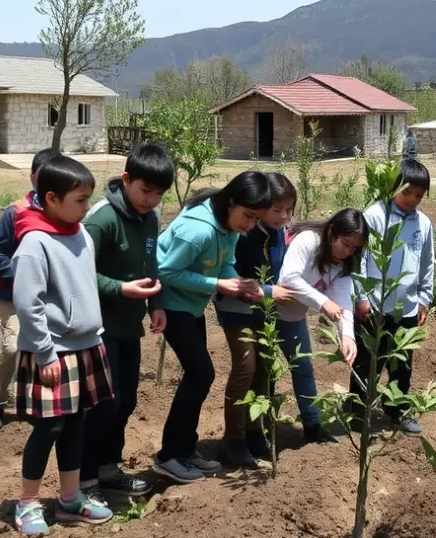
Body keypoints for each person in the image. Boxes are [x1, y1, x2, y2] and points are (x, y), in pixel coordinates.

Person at [13, 155, 114, 533]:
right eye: (80, 200)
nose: (87, 208)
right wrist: (44, 352)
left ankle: (70, 500)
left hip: (86, 346)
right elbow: (28, 303)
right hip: (52, 352)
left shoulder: (81, 235)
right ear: (51, 198)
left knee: (75, 425)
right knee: (49, 428)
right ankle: (27, 503)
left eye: (89, 199)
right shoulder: (35, 243)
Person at [152, 172, 269, 483]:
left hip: (191, 305)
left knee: (200, 375)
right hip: (173, 305)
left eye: (256, 218)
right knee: (201, 373)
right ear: (230, 202)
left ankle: (184, 449)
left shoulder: (228, 225)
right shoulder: (199, 231)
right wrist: (218, 283)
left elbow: (226, 260)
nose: (250, 225)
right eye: (247, 216)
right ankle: (169, 455)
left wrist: (237, 281)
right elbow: (165, 270)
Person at [78, 143, 174, 501]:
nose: (151, 199)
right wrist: (120, 289)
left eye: (158, 193)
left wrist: (156, 304)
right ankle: (85, 481)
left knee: (126, 399)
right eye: (145, 190)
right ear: (126, 179)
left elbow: (152, 266)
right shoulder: (100, 220)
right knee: (102, 403)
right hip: (97, 328)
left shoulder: (151, 218)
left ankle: (108, 468)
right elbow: (79, 276)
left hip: (128, 326)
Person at [214, 173, 300, 469]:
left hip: (265, 309)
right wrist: (267, 291)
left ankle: (256, 430)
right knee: (245, 367)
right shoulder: (243, 232)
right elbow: (229, 277)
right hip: (236, 308)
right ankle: (235, 440)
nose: (283, 216)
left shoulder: (277, 232)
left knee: (266, 369)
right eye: (277, 210)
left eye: (288, 210)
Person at [352, 158, 435, 435]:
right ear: (394, 187)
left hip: (407, 307)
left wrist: (424, 298)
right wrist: (361, 297)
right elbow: (360, 258)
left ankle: (396, 409)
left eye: (418, 195)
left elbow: (427, 262)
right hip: (375, 305)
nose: (412, 199)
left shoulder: (423, 224)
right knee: (367, 362)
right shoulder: (375, 215)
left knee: (402, 364)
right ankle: (357, 413)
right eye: (406, 192)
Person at [0, 146, 60, 432]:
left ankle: (39, 400)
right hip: (14, 294)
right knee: (13, 347)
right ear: (33, 178)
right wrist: (26, 277)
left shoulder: (64, 213)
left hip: (49, 297)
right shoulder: (15, 212)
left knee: (47, 347)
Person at [277, 209, 363, 427]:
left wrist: (347, 336)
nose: (349, 251)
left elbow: (343, 301)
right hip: (267, 312)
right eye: (346, 244)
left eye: (355, 248)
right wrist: (323, 302)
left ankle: (312, 426)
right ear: (332, 233)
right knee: (265, 371)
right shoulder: (308, 240)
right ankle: (260, 433)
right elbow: (288, 278)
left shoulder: (342, 264)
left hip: (293, 317)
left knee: (303, 366)